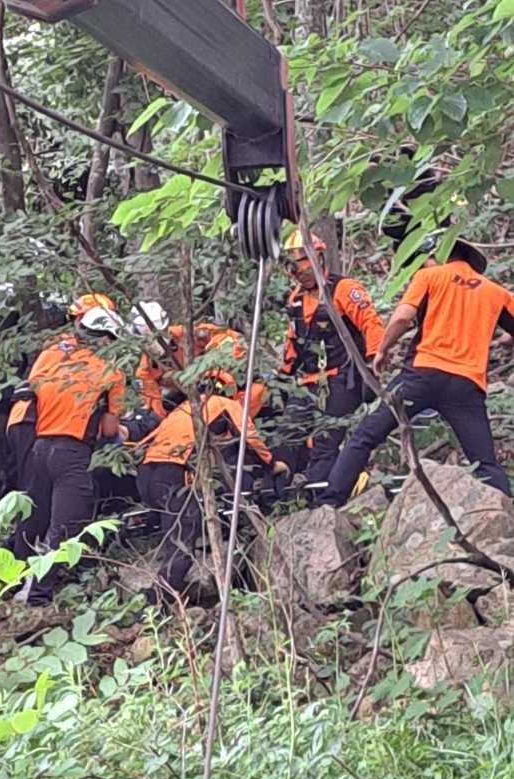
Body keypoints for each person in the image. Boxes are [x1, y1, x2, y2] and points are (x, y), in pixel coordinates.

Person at [319, 244, 514, 506]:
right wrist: (506, 338)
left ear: (443, 256)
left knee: (366, 435)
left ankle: (330, 503)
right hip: (466, 386)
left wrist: (382, 350)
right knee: (485, 462)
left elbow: (402, 317)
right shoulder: (495, 292)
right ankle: (506, 514)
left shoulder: (429, 276)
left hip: (421, 376)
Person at [15, 305, 126, 603]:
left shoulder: (50, 355)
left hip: (38, 446)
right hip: (73, 452)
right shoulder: (111, 371)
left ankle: (11, 582)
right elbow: (110, 426)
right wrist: (118, 436)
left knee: (32, 517)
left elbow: (33, 391)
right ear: (106, 338)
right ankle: (38, 597)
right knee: (65, 526)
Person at [137, 388, 287, 605]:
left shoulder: (186, 407)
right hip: (173, 473)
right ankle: (156, 603)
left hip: (146, 473)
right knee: (182, 547)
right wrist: (272, 465)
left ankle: (161, 597)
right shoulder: (226, 404)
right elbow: (249, 438)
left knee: (176, 536)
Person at [279, 230, 385, 486]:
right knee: (286, 437)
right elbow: (293, 340)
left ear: (318, 258)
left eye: (302, 264)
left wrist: (374, 364)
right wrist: (283, 375)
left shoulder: (344, 289)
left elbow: (372, 325)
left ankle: (323, 500)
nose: (297, 272)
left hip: (342, 378)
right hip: (308, 382)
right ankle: (281, 492)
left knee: (325, 440)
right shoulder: (296, 299)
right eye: (293, 266)